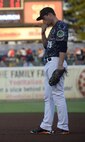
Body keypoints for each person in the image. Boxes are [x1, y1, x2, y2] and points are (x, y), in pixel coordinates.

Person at [30, 7, 70, 135]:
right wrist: (42, 33)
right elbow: (47, 46)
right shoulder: (52, 29)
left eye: (44, 17)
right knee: (48, 97)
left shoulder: (61, 26)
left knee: (58, 94)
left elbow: (63, 46)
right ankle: (46, 126)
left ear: (49, 14)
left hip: (56, 62)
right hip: (49, 61)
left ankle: (63, 126)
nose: (43, 20)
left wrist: (59, 66)